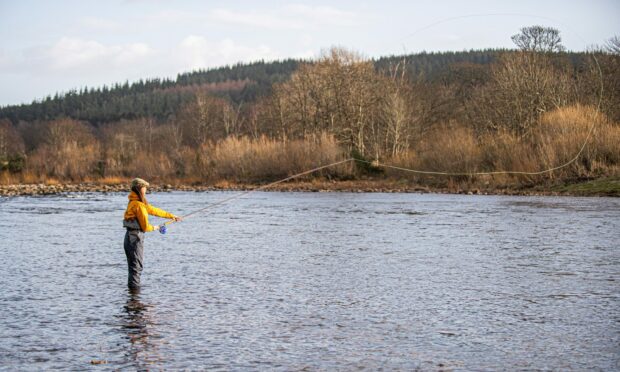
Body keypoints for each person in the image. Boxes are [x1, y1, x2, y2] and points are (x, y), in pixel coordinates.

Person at [123, 178, 181, 290]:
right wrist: (156, 227)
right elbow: (145, 226)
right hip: (135, 238)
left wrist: (171, 216)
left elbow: (153, 210)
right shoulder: (138, 205)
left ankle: (133, 296)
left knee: (134, 267)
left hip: (130, 237)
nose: (146, 190)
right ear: (140, 188)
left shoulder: (134, 202)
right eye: (145, 188)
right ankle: (135, 298)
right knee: (136, 267)